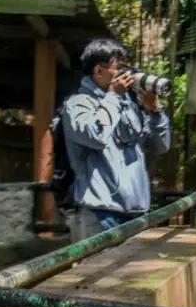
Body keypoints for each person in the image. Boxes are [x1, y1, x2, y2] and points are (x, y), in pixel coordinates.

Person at [61, 37, 171, 241]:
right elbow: (96, 136)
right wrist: (113, 97)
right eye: (118, 67)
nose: (125, 74)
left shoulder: (128, 105)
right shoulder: (77, 105)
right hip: (98, 214)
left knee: (132, 274)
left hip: (136, 215)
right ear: (98, 70)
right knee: (95, 273)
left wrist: (155, 111)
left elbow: (161, 146)